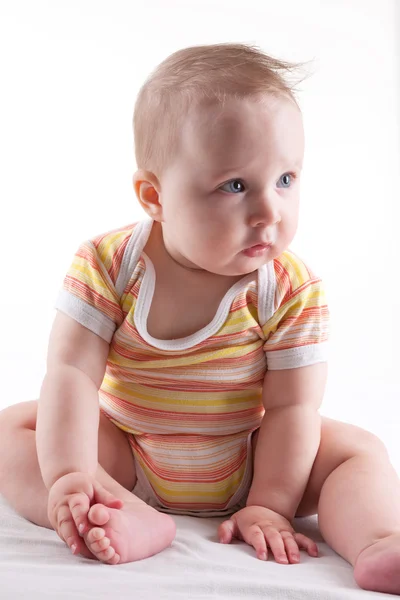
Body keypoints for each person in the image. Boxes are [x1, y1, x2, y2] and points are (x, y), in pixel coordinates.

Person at [1, 42, 400, 595]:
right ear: (153, 195)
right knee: (13, 429)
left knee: (358, 452)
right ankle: (108, 508)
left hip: (252, 458)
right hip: (127, 456)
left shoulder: (288, 288)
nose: (269, 211)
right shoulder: (110, 264)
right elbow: (71, 375)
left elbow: (292, 407)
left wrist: (269, 504)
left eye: (286, 179)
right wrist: (73, 473)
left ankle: (377, 541)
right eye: (235, 186)